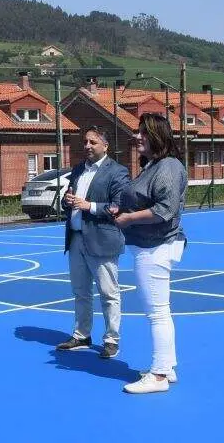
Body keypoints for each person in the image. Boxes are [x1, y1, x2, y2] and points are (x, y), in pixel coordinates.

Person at [111, 113, 188, 394]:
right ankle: (167, 367)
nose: (137, 136)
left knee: (157, 313)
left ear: (157, 136)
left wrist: (129, 219)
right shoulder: (153, 165)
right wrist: (123, 211)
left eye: (143, 132)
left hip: (155, 247)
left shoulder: (168, 167)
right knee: (160, 312)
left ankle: (158, 376)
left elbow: (165, 209)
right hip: (149, 245)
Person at [56, 125, 130, 359]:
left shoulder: (117, 172)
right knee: (80, 291)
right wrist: (67, 201)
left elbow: (120, 206)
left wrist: (90, 206)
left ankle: (111, 339)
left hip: (102, 240)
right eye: (85, 142)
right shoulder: (78, 169)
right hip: (76, 239)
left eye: (93, 142)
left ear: (105, 146)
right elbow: (69, 200)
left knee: (108, 293)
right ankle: (82, 335)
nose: (87, 146)